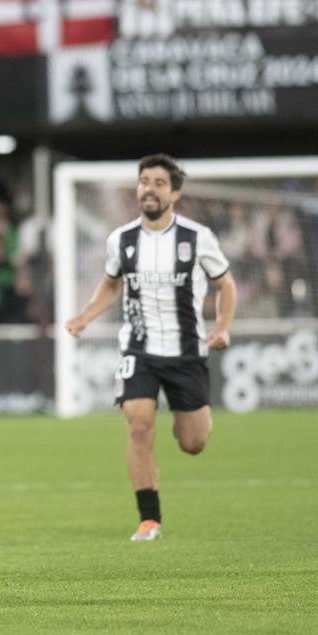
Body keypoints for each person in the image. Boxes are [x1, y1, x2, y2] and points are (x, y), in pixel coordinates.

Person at [66, 154, 237, 542]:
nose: (149, 188)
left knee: (193, 442)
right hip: (138, 349)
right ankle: (149, 519)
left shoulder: (198, 237)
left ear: (174, 193)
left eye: (159, 182)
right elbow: (112, 283)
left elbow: (225, 284)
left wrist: (223, 327)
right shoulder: (121, 239)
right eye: (144, 181)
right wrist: (85, 316)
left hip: (186, 352)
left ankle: (186, 421)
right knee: (139, 425)